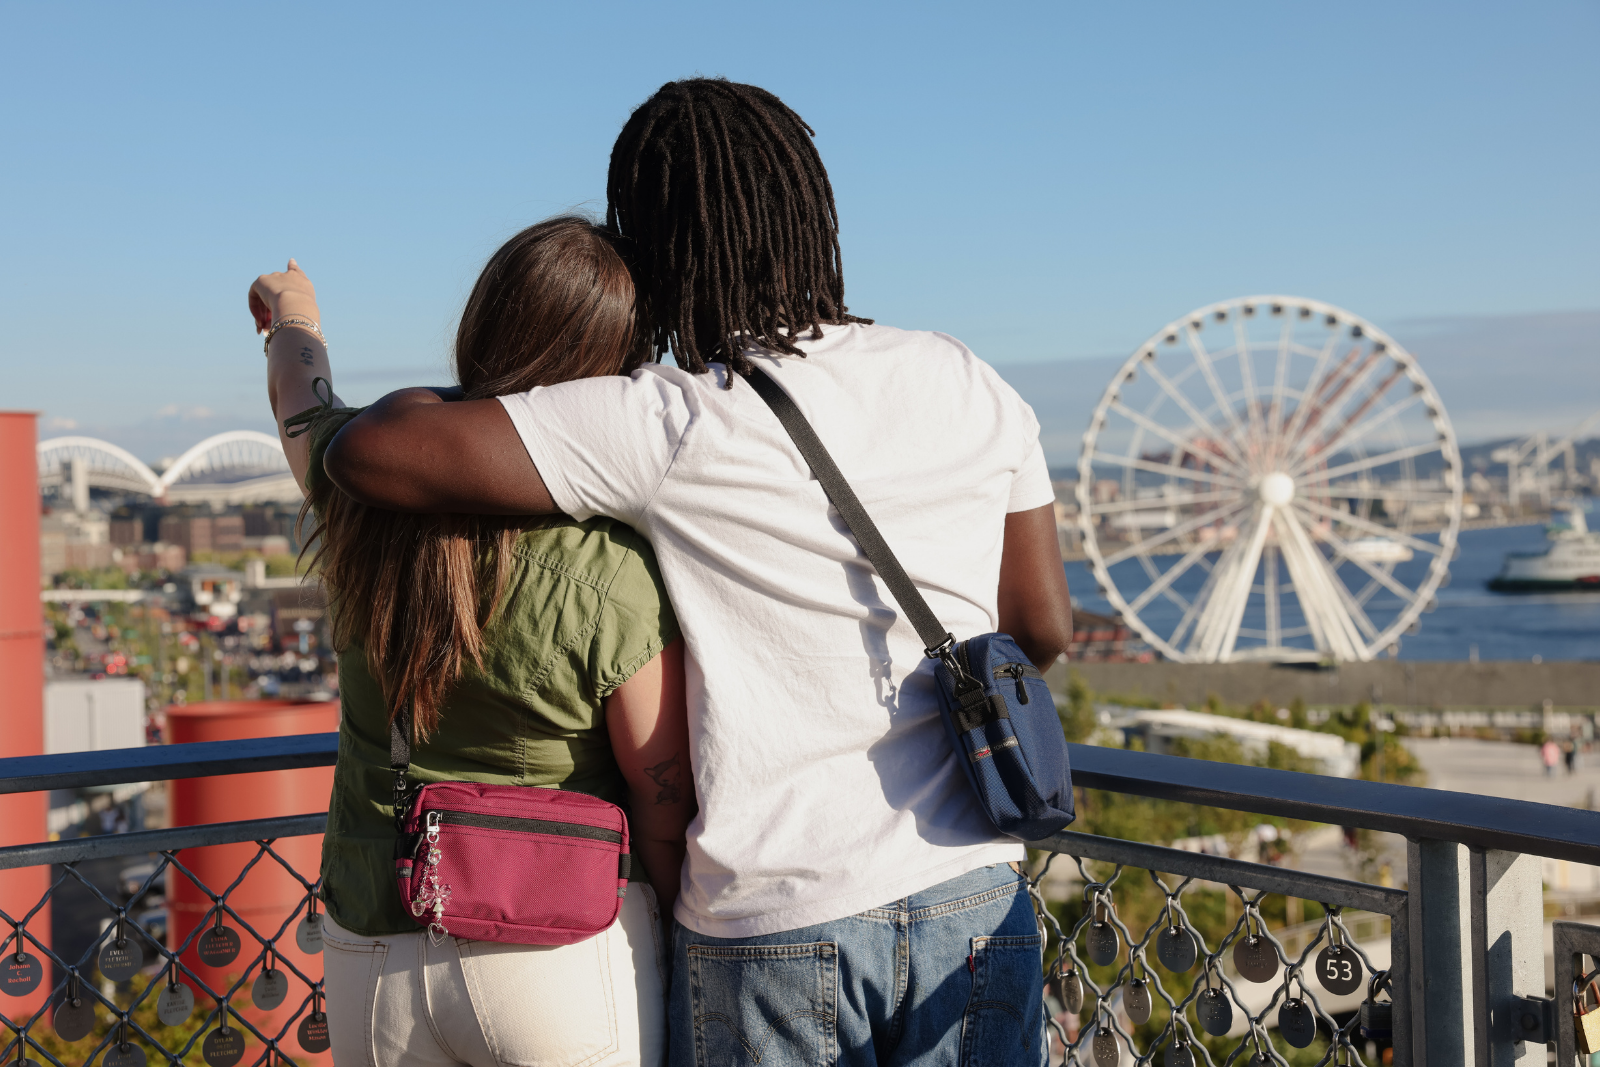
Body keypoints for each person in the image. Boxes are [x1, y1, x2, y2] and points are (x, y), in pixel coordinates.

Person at [319, 78, 1073, 1066]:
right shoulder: (963, 374)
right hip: (971, 891)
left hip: (772, 914)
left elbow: (372, 451)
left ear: (655, 256)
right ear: (812, 212)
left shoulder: (671, 418)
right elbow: (1043, 623)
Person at [250, 218, 695, 1067]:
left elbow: (297, 396)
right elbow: (661, 795)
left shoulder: (358, 486)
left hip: (373, 936)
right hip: (559, 941)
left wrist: (292, 311)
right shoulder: (612, 560)